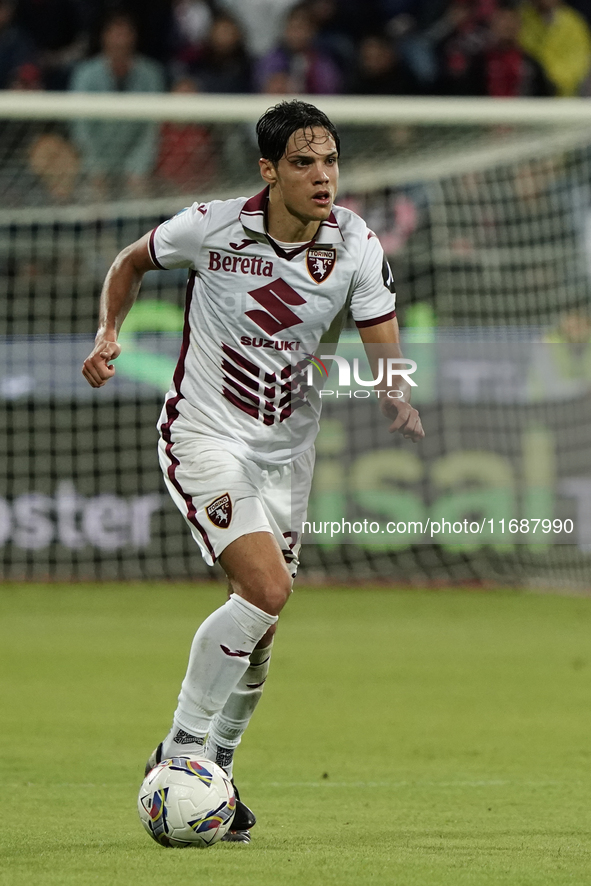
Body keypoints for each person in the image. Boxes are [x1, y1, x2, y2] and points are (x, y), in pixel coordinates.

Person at [81, 100, 424, 843]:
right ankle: (180, 753)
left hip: (286, 454)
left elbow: (382, 336)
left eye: (329, 160)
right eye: (303, 163)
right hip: (204, 434)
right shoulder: (210, 225)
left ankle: (220, 771)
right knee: (266, 588)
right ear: (268, 171)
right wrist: (109, 330)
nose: (322, 175)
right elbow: (131, 261)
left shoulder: (356, 244)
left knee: (264, 627)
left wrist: (395, 390)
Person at [69, 12, 165, 199]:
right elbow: (80, 127)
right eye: (115, 34)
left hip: (137, 162)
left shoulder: (151, 74)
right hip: (93, 160)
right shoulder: (85, 74)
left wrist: (138, 166)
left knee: (140, 198)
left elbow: (152, 128)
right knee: (91, 198)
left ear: (134, 37)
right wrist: (94, 166)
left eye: (125, 34)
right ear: (104, 37)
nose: (120, 41)